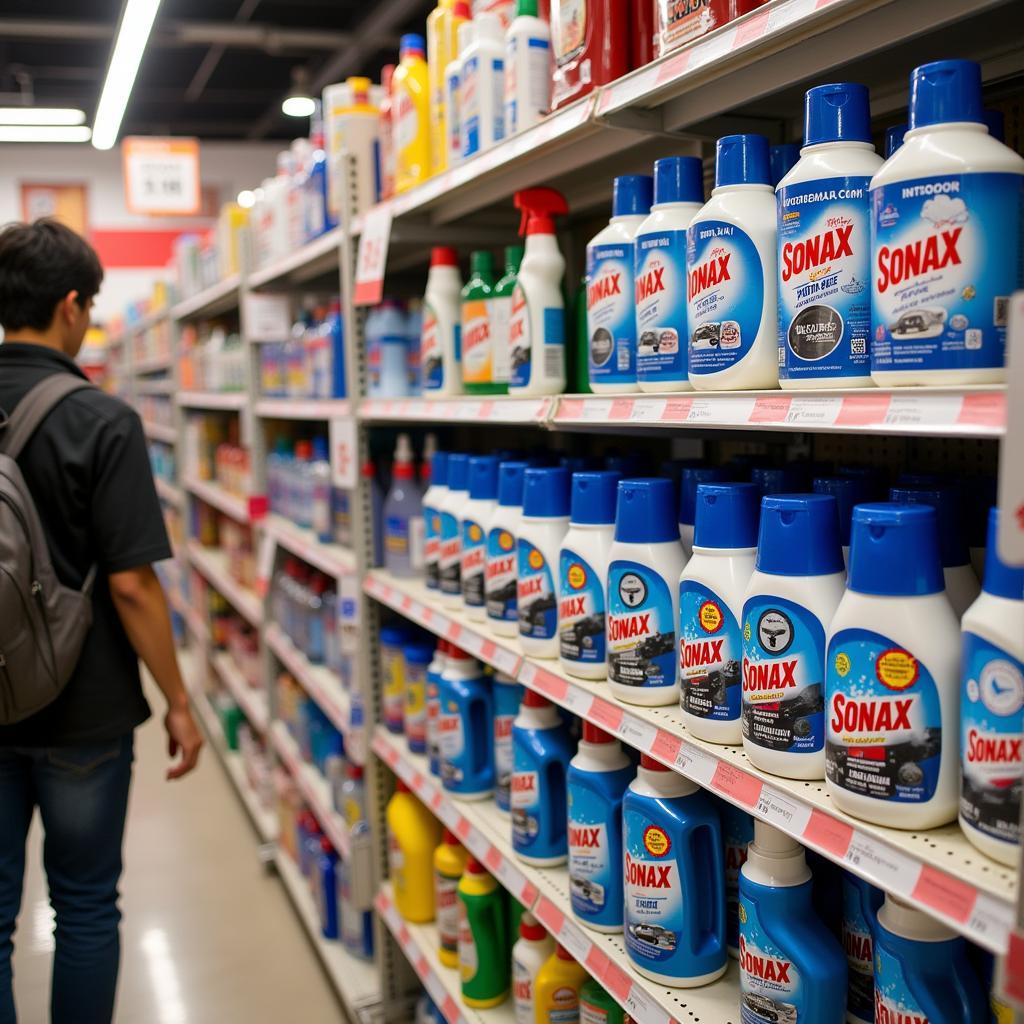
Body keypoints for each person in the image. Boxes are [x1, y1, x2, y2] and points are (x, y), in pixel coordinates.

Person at [0, 219, 202, 1024]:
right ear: (72, 305)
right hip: (85, 710)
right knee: (84, 906)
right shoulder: (103, 420)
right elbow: (132, 587)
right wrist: (179, 701)